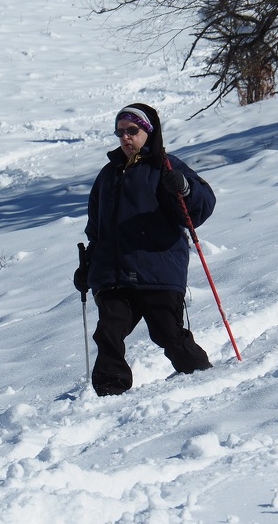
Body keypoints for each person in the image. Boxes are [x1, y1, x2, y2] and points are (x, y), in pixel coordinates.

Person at [74, 103, 216, 396]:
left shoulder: (166, 166)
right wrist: (88, 265)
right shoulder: (108, 176)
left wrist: (185, 188)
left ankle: (200, 374)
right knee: (109, 333)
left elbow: (201, 206)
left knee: (167, 331)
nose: (125, 138)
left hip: (157, 269)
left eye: (132, 131)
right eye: (120, 132)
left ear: (148, 133)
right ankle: (108, 392)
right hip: (115, 273)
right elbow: (96, 229)